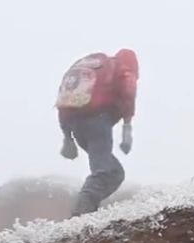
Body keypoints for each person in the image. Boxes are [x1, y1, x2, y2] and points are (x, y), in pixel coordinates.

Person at [55, 49, 139, 216]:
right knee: (104, 172)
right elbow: (128, 92)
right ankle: (81, 215)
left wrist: (67, 137)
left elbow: (65, 98)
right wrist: (127, 128)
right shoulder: (123, 66)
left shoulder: (90, 67)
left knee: (114, 172)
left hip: (76, 125)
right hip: (97, 121)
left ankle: (87, 212)